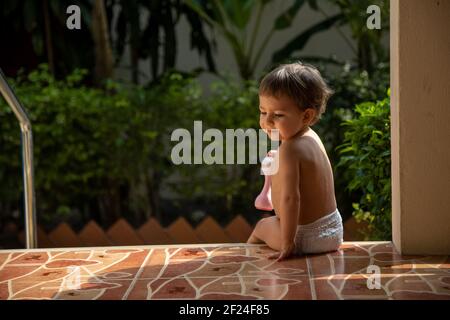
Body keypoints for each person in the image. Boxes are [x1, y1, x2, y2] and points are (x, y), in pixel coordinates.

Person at [247, 62, 343, 261]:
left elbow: (291, 199)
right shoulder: (312, 138)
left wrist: (288, 241)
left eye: (278, 115)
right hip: (333, 230)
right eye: (263, 112)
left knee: (262, 226)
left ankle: (246, 258)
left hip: (305, 237)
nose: (267, 121)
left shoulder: (290, 149)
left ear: (307, 115)